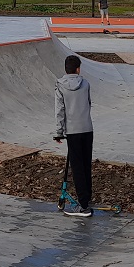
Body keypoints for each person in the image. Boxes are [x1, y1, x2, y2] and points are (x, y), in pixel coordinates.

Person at [53, 54, 94, 217]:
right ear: (78, 69)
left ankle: (83, 206)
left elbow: (59, 110)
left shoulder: (60, 85)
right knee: (86, 165)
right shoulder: (86, 84)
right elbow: (89, 104)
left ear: (66, 69)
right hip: (87, 129)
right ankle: (87, 198)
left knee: (77, 169)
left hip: (73, 131)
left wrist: (59, 132)